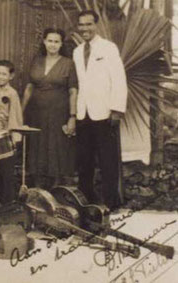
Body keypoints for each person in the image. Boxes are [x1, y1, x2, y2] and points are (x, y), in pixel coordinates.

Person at [72, 10, 127, 210]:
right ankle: (86, 203)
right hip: (83, 113)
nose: (85, 28)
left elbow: (119, 79)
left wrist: (116, 110)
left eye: (89, 24)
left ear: (96, 25)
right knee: (84, 161)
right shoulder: (77, 51)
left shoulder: (108, 48)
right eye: (81, 25)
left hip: (105, 113)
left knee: (108, 161)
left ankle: (112, 203)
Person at [22, 28, 78, 189]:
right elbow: (29, 88)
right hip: (36, 113)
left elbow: (73, 91)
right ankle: (38, 187)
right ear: (44, 42)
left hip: (58, 113)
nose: (53, 45)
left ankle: (56, 187)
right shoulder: (37, 60)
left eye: (56, 41)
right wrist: (20, 112)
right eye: (50, 41)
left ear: (61, 44)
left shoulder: (68, 64)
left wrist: (72, 116)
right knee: (37, 145)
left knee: (56, 146)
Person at [0, 60, 23, 204]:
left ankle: (8, 203)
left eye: (4, 74)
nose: (0, 77)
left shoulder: (12, 93)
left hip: (5, 136)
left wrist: (14, 137)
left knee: (6, 171)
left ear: (11, 76)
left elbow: (15, 116)